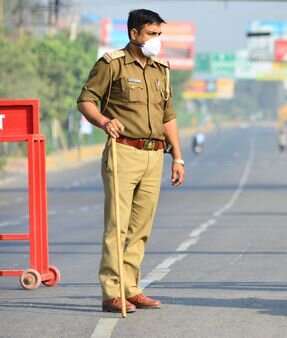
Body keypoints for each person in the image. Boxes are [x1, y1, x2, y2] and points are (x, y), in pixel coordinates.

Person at [77, 9, 185, 313]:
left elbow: (169, 116)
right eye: (151, 34)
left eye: (159, 35)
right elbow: (85, 100)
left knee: (141, 226)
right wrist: (102, 121)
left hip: (155, 155)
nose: (156, 41)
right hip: (123, 151)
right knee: (118, 225)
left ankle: (131, 288)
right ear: (134, 34)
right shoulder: (111, 64)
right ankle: (112, 292)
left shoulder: (161, 68)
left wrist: (178, 156)